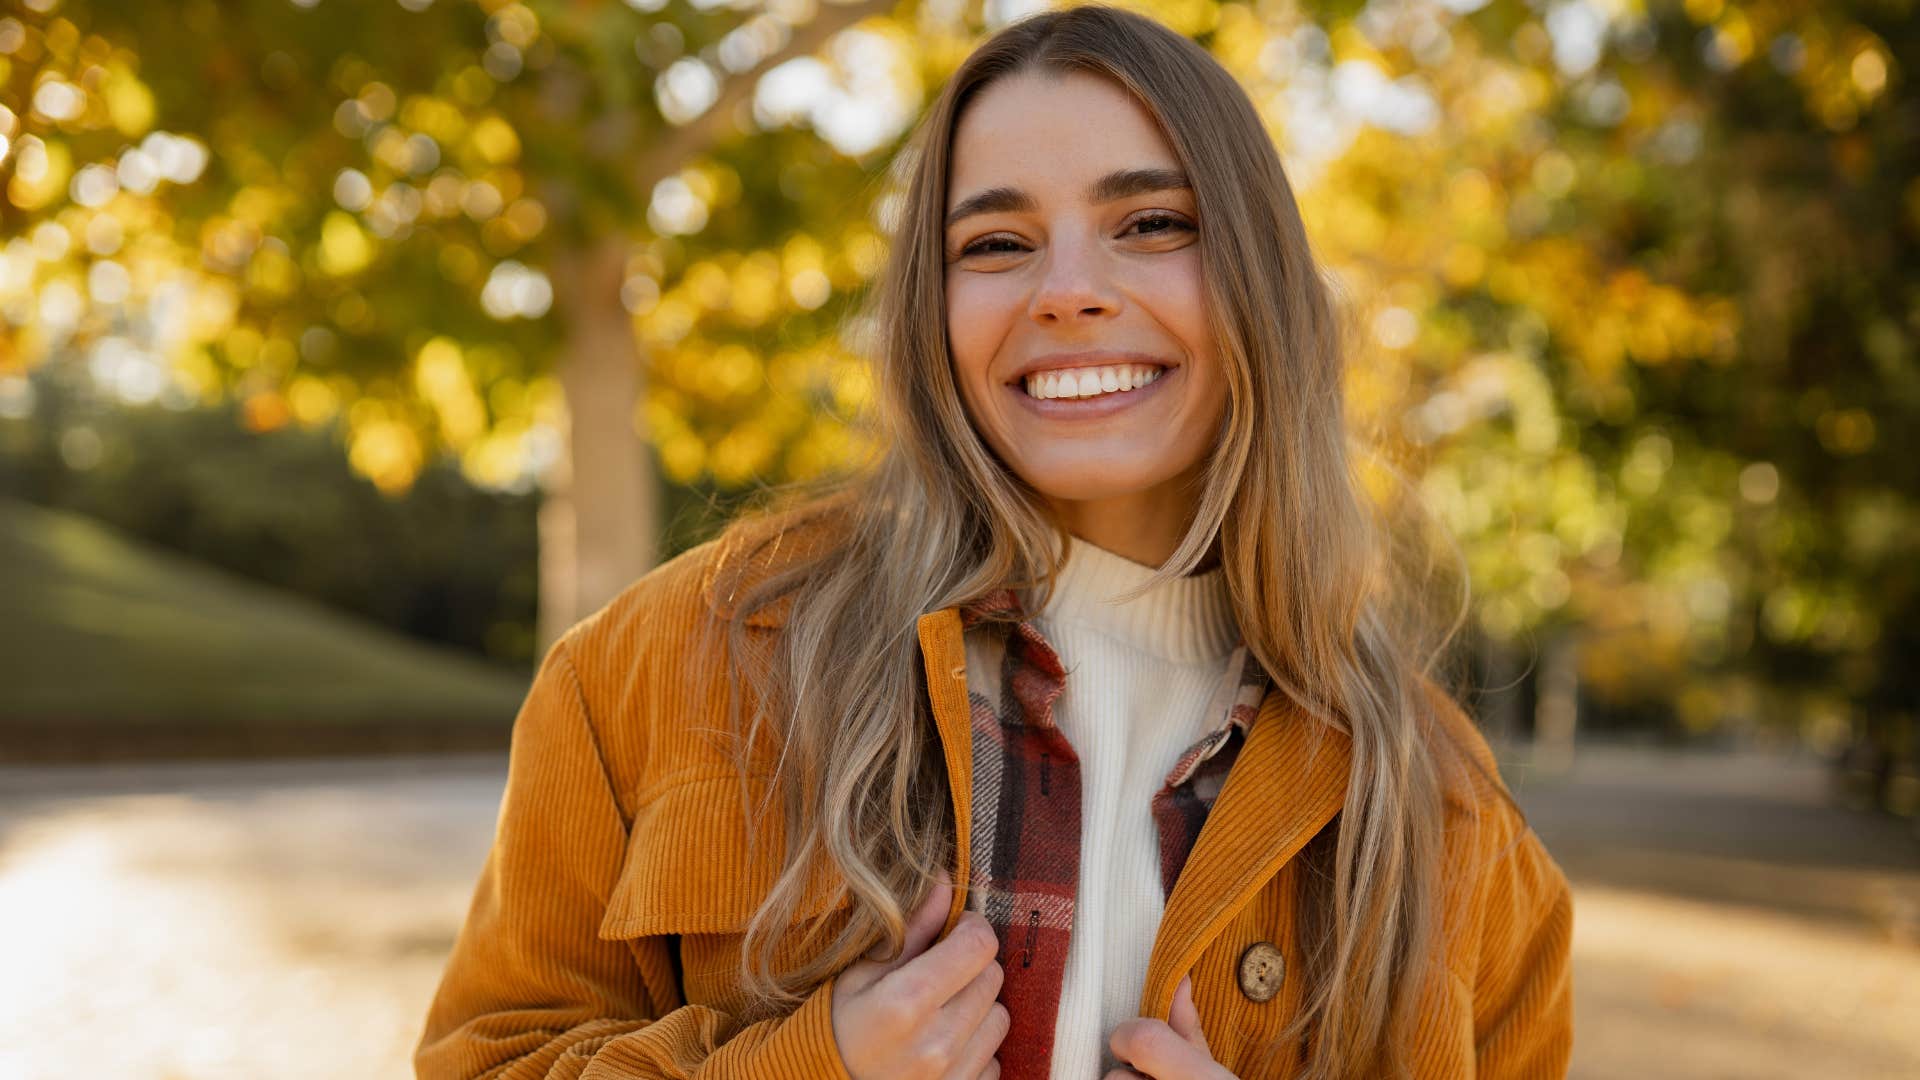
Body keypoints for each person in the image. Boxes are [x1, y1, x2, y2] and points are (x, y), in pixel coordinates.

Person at [413, 5, 1574, 1079]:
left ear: (1263, 280)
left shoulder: (1449, 813)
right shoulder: (658, 665)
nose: (1069, 291)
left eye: (1153, 223)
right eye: (996, 244)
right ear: (932, 312)